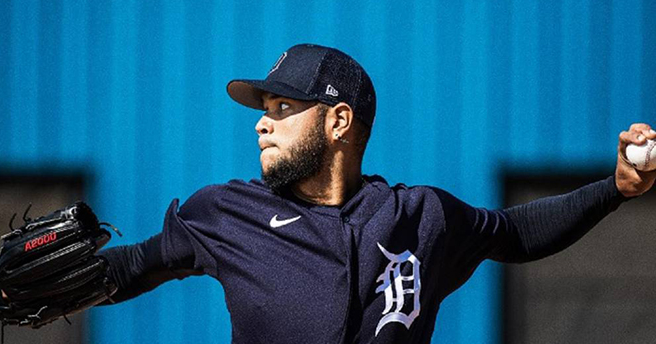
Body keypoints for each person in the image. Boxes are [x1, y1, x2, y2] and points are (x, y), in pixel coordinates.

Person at [99, 43, 656, 343]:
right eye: (265, 112)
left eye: (284, 109)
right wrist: (43, 281)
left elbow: (515, 233)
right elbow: (134, 266)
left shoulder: (421, 217)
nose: (262, 125)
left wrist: (614, 189)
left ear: (339, 121)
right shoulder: (227, 214)